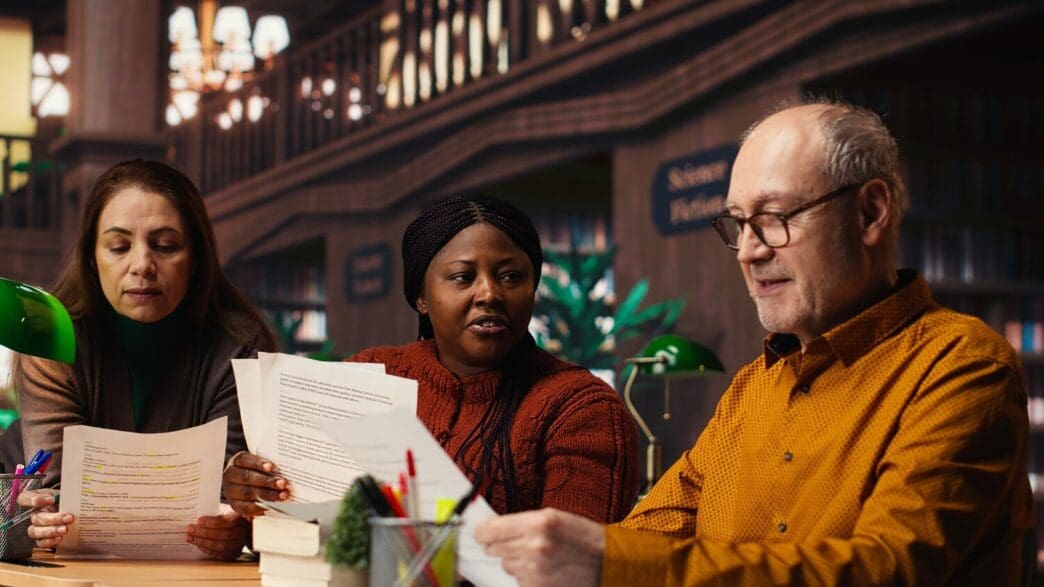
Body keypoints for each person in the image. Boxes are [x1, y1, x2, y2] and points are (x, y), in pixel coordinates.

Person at [474, 100, 1034, 585]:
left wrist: (606, 564)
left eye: (772, 217)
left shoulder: (963, 368)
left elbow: (882, 572)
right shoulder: (752, 388)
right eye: (738, 224)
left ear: (870, 212)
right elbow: (656, 529)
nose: (748, 251)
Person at [223, 195, 639, 522]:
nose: (490, 293)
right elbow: (293, 524)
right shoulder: (365, 377)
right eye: (462, 277)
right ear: (421, 297)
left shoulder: (581, 407)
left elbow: (570, 566)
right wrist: (252, 498)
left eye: (511, 276)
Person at [10, 159, 278, 560]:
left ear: (197, 259)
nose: (142, 266)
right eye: (118, 247)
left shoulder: (237, 343)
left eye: (166, 246)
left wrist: (236, 523)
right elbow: (60, 495)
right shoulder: (50, 335)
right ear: (91, 257)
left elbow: (229, 491)